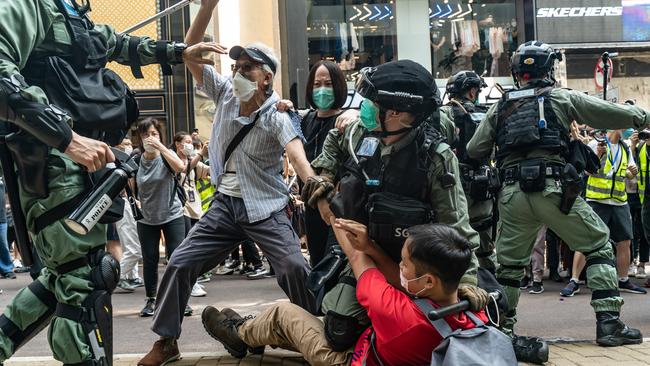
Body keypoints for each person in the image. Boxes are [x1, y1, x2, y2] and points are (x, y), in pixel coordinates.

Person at [0, 0, 216, 363]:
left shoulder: (68, 13)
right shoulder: (26, 6)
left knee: (66, 277)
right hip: (54, 166)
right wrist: (66, 138)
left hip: (84, 167)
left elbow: (117, 43)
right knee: (83, 282)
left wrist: (179, 51)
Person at [138, 2, 318, 364]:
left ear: (266, 77)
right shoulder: (223, 95)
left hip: (265, 208)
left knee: (294, 268)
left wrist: (314, 184)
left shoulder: (276, 115)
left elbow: (298, 157)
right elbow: (189, 55)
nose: (238, 71)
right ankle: (167, 342)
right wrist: (206, 8)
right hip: (223, 207)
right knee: (179, 263)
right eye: (236, 66)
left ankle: (315, 331)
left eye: (248, 67)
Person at [466, 40, 647, 361]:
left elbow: (474, 150)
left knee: (508, 266)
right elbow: (609, 113)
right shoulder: (561, 97)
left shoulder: (502, 104)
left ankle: (503, 331)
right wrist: (640, 115)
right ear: (548, 69)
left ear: (516, 72)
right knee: (598, 245)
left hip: (511, 194)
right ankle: (609, 324)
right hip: (554, 190)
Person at [302, 59, 487, 353]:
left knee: (439, 326)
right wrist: (325, 174)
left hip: (414, 265)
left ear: (400, 114)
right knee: (339, 329)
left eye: (373, 103)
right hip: (366, 252)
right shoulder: (362, 133)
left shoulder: (436, 159)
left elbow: (456, 226)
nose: (365, 108)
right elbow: (335, 139)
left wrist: (464, 283)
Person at [201, 223, 491, 365]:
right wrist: (378, 249)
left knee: (283, 313)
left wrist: (331, 213)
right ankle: (254, 334)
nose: (399, 266)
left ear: (427, 281)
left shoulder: (396, 314)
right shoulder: (472, 307)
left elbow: (355, 255)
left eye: (404, 262)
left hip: (353, 359)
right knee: (307, 325)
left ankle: (238, 335)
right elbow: (402, 281)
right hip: (390, 351)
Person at [561, 129, 647, 296]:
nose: (627, 130)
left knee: (624, 241)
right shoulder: (595, 144)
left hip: (619, 201)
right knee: (587, 240)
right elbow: (585, 171)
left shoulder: (625, 148)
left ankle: (623, 280)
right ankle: (575, 280)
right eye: (623, 126)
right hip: (597, 201)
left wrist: (631, 173)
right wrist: (598, 156)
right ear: (615, 127)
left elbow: (625, 173)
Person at [439, 70, 497, 271]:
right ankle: (492, 291)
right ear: (472, 91)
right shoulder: (489, 113)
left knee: (453, 238)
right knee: (485, 243)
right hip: (483, 187)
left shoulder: (443, 113)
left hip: (454, 184)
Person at [135, 119, 192, 317]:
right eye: (145, 134)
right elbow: (130, 185)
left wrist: (160, 147)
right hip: (146, 218)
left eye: (154, 133)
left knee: (177, 257)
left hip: (172, 214)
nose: (149, 138)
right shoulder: (136, 160)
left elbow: (180, 168)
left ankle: (181, 299)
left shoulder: (167, 156)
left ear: (160, 136)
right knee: (149, 259)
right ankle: (151, 299)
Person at [300, 60, 348, 266]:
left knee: (337, 259)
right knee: (317, 260)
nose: (322, 90)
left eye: (328, 84)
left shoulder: (347, 121)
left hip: (339, 204)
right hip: (311, 203)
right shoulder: (305, 120)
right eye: (317, 85)